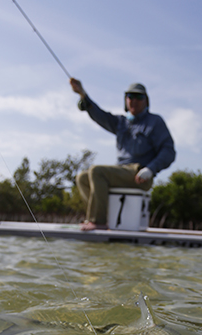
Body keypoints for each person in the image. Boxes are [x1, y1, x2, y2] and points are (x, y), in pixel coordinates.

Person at [69, 79, 176, 230]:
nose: (134, 101)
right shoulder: (121, 122)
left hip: (140, 175)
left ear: (146, 101)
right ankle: (103, 217)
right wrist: (82, 94)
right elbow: (100, 115)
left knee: (96, 171)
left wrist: (151, 169)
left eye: (139, 97)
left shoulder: (155, 122)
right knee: (82, 178)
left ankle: (97, 222)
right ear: (125, 100)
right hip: (121, 173)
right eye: (130, 97)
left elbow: (169, 152)